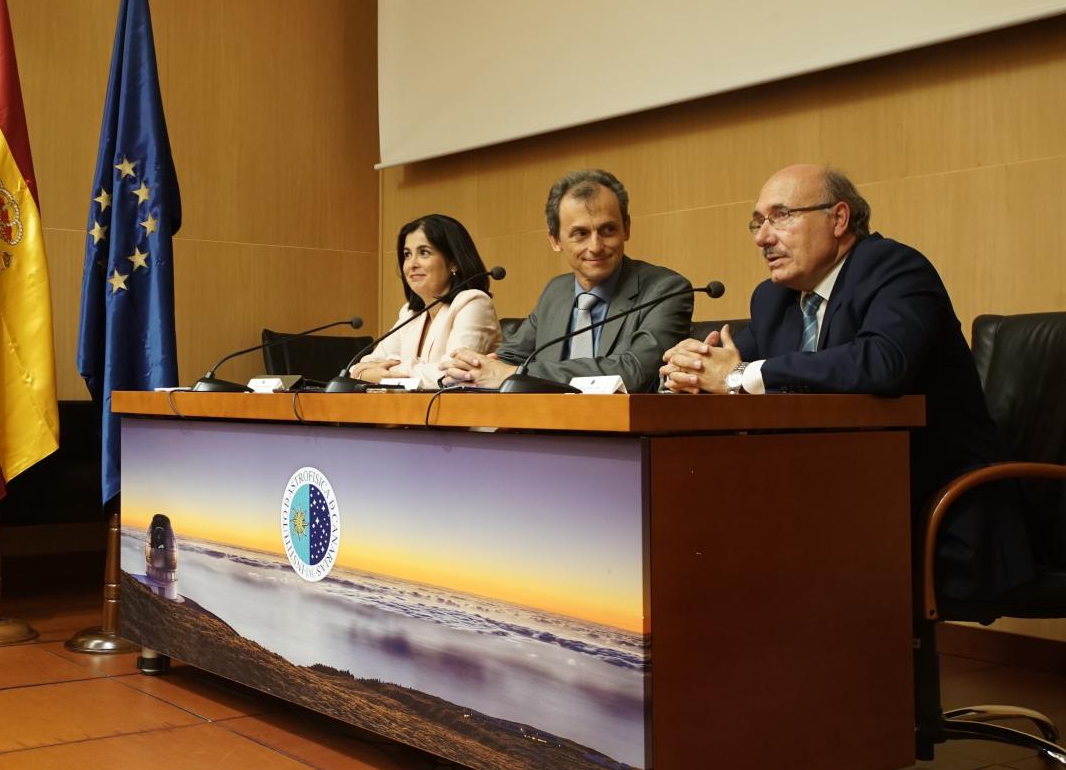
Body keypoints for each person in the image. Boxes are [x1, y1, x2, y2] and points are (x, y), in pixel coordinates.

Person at [660, 164, 1032, 599]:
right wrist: (690, 373)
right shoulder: (773, 299)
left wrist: (740, 374)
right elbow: (733, 371)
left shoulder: (895, 269)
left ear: (837, 219)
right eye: (757, 222)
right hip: (830, 504)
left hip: (934, 510)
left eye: (780, 216)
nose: (763, 237)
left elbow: (882, 362)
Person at [442, 169, 691, 392]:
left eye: (607, 230)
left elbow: (634, 372)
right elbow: (510, 355)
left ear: (626, 228)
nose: (595, 246)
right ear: (555, 240)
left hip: (622, 436)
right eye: (580, 234)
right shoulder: (556, 291)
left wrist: (518, 374)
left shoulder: (666, 289)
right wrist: (472, 366)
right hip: (544, 430)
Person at [351, 214, 500, 388]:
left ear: (454, 262)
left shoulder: (474, 302)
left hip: (460, 412)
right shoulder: (410, 313)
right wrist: (367, 372)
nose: (411, 264)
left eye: (424, 253)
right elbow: (359, 368)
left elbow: (452, 375)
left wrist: (388, 371)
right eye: (407, 254)